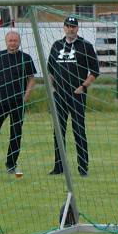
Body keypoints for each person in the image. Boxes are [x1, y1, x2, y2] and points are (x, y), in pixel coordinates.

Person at [47, 16, 98, 177]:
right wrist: (53, 89)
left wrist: (83, 87)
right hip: (59, 96)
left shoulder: (86, 46)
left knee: (78, 130)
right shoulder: (56, 46)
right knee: (58, 131)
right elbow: (50, 70)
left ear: (77, 29)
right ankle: (58, 167)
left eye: (73, 27)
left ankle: (83, 168)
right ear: (64, 28)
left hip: (77, 95)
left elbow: (95, 71)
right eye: (68, 26)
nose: (70, 29)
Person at [0, 31, 36, 175]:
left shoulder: (26, 58)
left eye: (15, 40)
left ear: (19, 42)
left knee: (16, 134)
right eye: (10, 40)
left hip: (17, 102)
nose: (12, 43)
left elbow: (31, 79)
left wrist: (25, 97)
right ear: (6, 41)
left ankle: (11, 164)